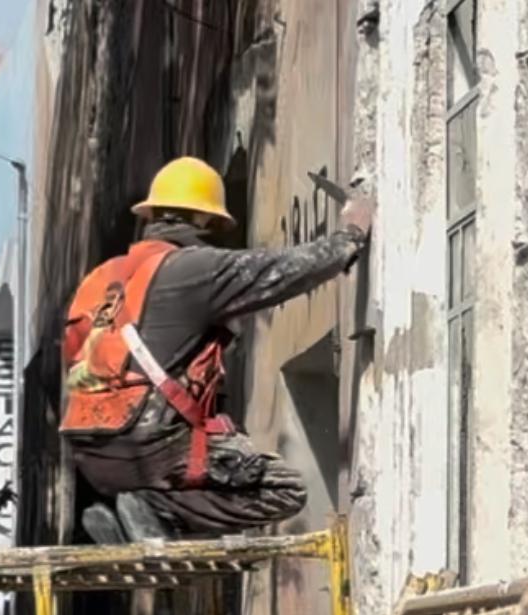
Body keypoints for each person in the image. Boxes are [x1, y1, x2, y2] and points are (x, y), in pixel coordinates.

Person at [59, 156, 375, 542]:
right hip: (153, 441)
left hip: (90, 450)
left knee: (180, 480)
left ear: (153, 213)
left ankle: (139, 518)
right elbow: (282, 270)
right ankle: (157, 512)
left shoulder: (102, 277)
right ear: (204, 219)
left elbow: (74, 356)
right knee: (283, 490)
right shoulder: (193, 269)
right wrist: (350, 236)